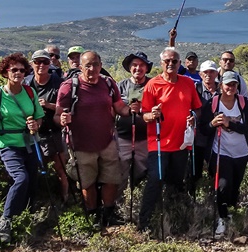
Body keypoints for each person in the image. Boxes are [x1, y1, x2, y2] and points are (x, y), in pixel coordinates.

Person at [55, 51, 137, 227]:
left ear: (101, 65)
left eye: (95, 65)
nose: (92, 69)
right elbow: (57, 115)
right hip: (80, 144)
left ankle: (108, 214)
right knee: (87, 183)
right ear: (80, 67)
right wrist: (62, 119)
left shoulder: (108, 83)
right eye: (88, 65)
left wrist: (131, 110)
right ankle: (93, 216)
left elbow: (119, 107)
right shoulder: (70, 86)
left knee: (111, 179)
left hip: (107, 142)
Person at [0, 53, 45, 244]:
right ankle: (5, 220)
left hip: (30, 143)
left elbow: (39, 117)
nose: (18, 73)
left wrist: (36, 125)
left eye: (21, 70)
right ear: (6, 72)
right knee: (21, 178)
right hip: (7, 144)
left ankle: (27, 218)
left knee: (32, 181)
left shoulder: (30, 93)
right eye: (13, 69)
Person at [137, 47, 202, 232]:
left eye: (174, 61)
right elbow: (145, 116)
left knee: (176, 183)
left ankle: (175, 218)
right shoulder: (153, 85)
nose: (171, 64)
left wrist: (194, 118)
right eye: (167, 61)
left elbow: (197, 108)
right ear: (161, 63)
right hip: (158, 144)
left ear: (180, 63)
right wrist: (153, 114)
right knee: (155, 182)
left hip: (181, 144)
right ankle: (145, 223)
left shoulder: (188, 83)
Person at [199, 71, 248, 237]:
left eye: (234, 84)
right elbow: (204, 129)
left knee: (235, 186)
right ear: (221, 85)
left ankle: (230, 212)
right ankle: (221, 218)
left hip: (242, 152)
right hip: (221, 150)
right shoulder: (212, 104)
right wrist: (212, 124)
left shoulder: (243, 103)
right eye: (227, 84)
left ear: (238, 86)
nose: (230, 87)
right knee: (223, 185)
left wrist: (230, 124)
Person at [24, 49, 69, 203]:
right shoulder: (26, 83)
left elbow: (66, 107)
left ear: (50, 63)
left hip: (54, 131)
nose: (41, 65)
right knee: (33, 168)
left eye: (45, 62)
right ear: (32, 64)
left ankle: (66, 198)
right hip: (32, 133)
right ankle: (35, 199)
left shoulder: (58, 82)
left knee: (60, 168)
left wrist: (48, 105)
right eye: (37, 62)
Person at [116, 51, 153, 197]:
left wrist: (142, 109)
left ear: (146, 68)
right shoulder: (121, 86)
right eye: (134, 65)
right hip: (124, 138)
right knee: (121, 172)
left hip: (145, 138)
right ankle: (119, 206)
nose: (138, 68)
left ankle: (140, 203)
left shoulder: (152, 85)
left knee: (142, 172)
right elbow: (114, 107)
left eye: (142, 65)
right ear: (129, 67)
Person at [191, 60, 221, 187]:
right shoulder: (195, 89)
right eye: (205, 72)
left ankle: (213, 196)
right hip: (199, 137)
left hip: (218, 136)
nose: (208, 75)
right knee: (195, 170)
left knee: (215, 170)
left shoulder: (223, 89)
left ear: (216, 73)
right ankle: (191, 198)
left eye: (211, 72)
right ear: (200, 74)